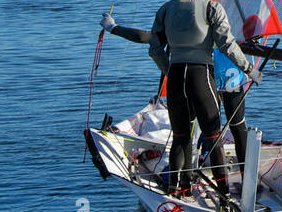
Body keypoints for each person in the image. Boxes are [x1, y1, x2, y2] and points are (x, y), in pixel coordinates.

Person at [98, 13, 253, 167]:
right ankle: (234, 172)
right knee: (234, 127)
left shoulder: (183, 21)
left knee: (203, 128)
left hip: (207, 78)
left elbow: (147, 38)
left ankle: (192, 170)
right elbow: (251, 27)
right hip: (228, 78)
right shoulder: (223, 19)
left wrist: (113, 27)